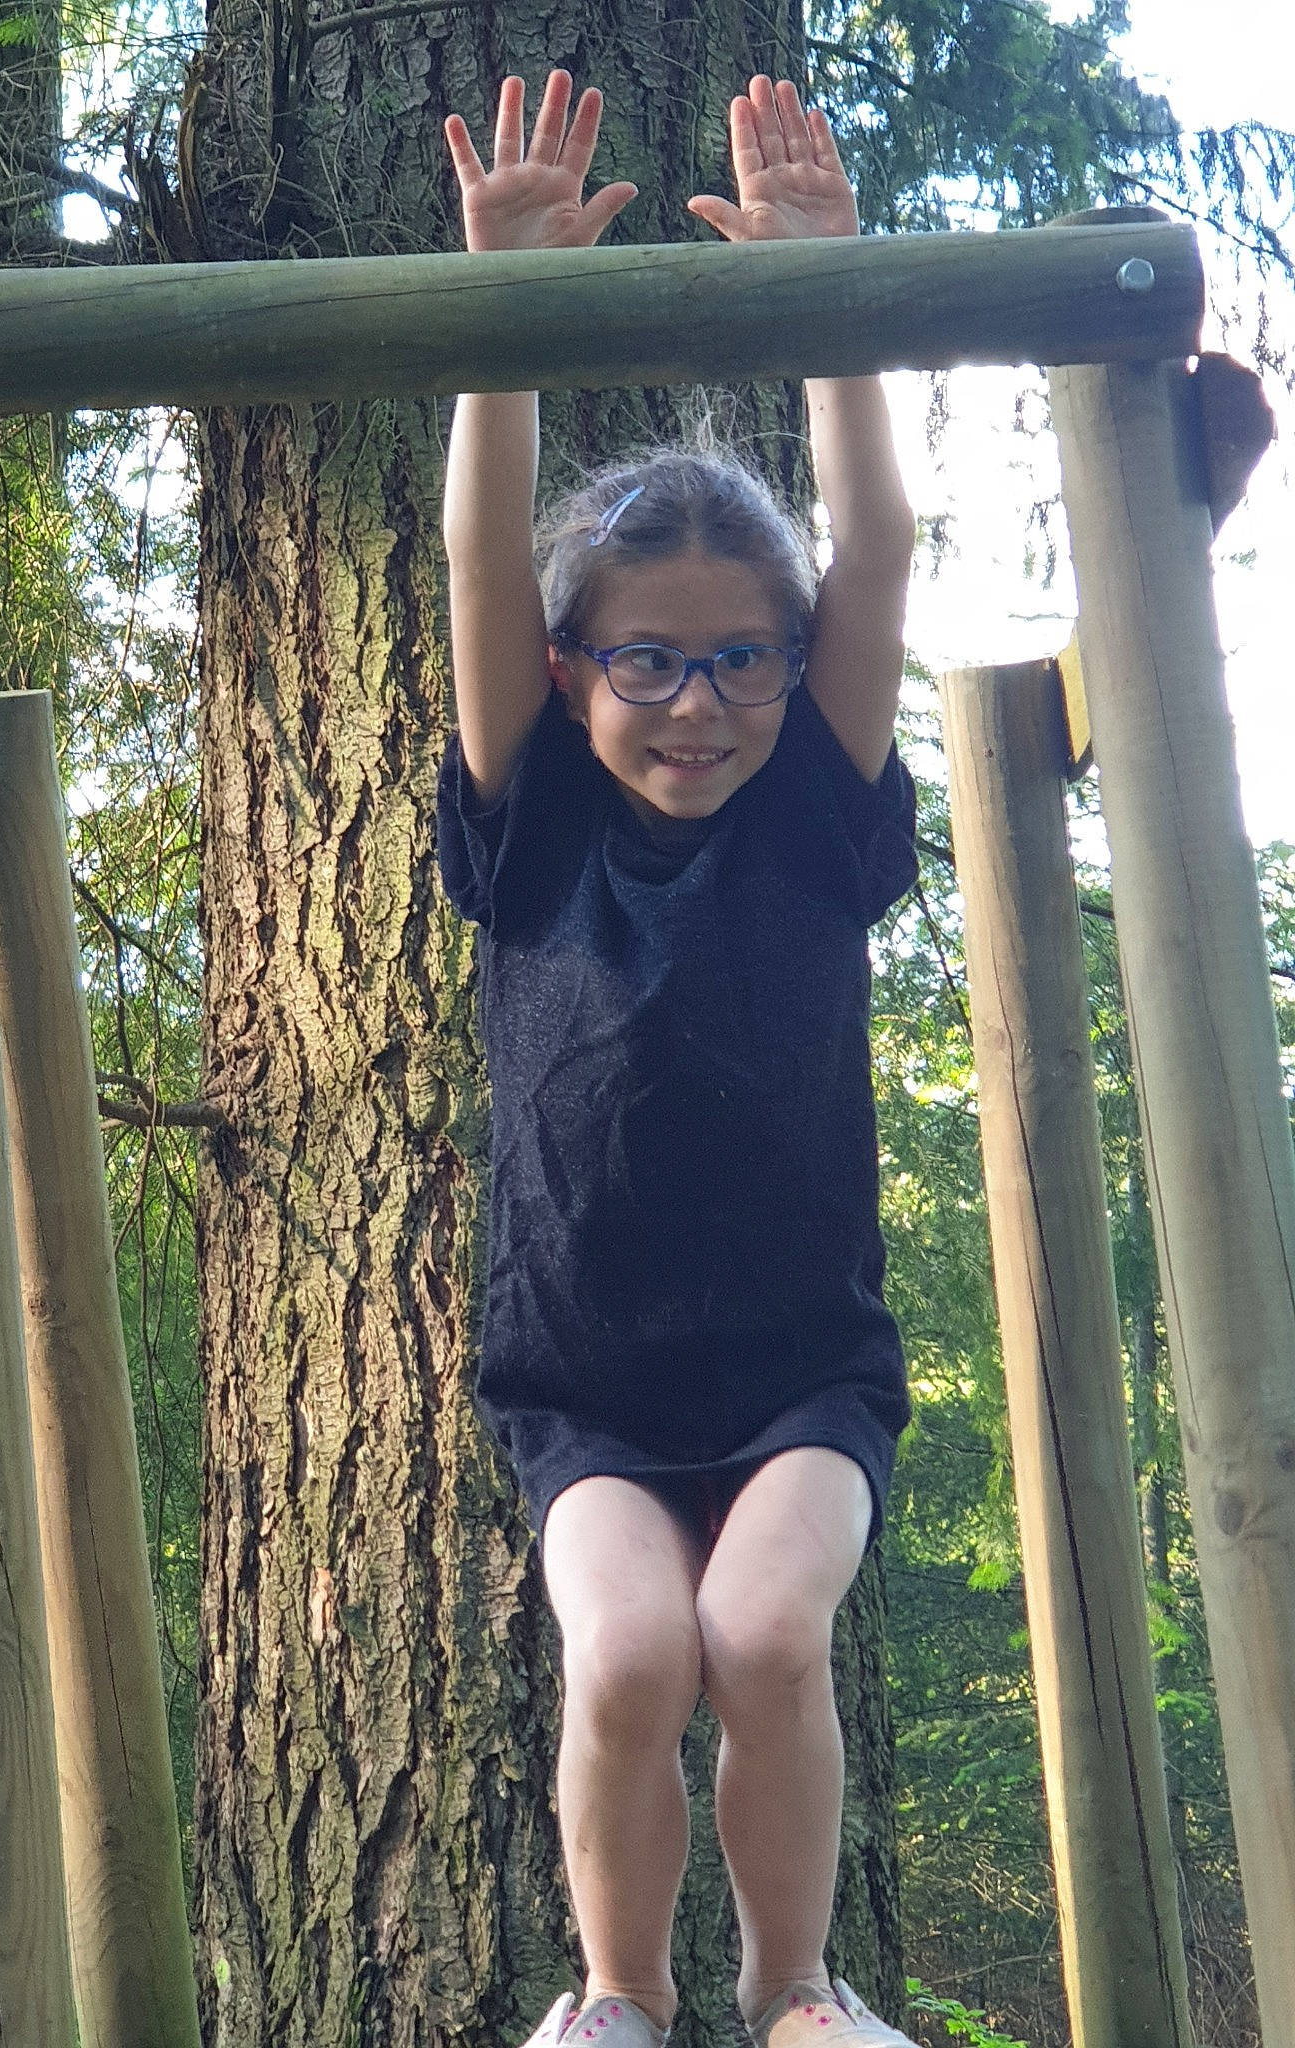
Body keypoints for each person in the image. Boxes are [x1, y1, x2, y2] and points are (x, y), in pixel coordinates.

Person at [437, 69, 921, 2048]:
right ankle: (619, 2003)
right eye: (647, 656)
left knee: (761, 1628)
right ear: (573, 672)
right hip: (586, 1379)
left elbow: (873, 542)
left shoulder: (818, 811)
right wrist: (505, 320)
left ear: (790, 671)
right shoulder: (534, 821)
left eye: (740, 655)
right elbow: (481, 555)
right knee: (634, 1652)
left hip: (804, 1365)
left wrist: (832, 302)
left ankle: (794, 1993)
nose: (698, 699)